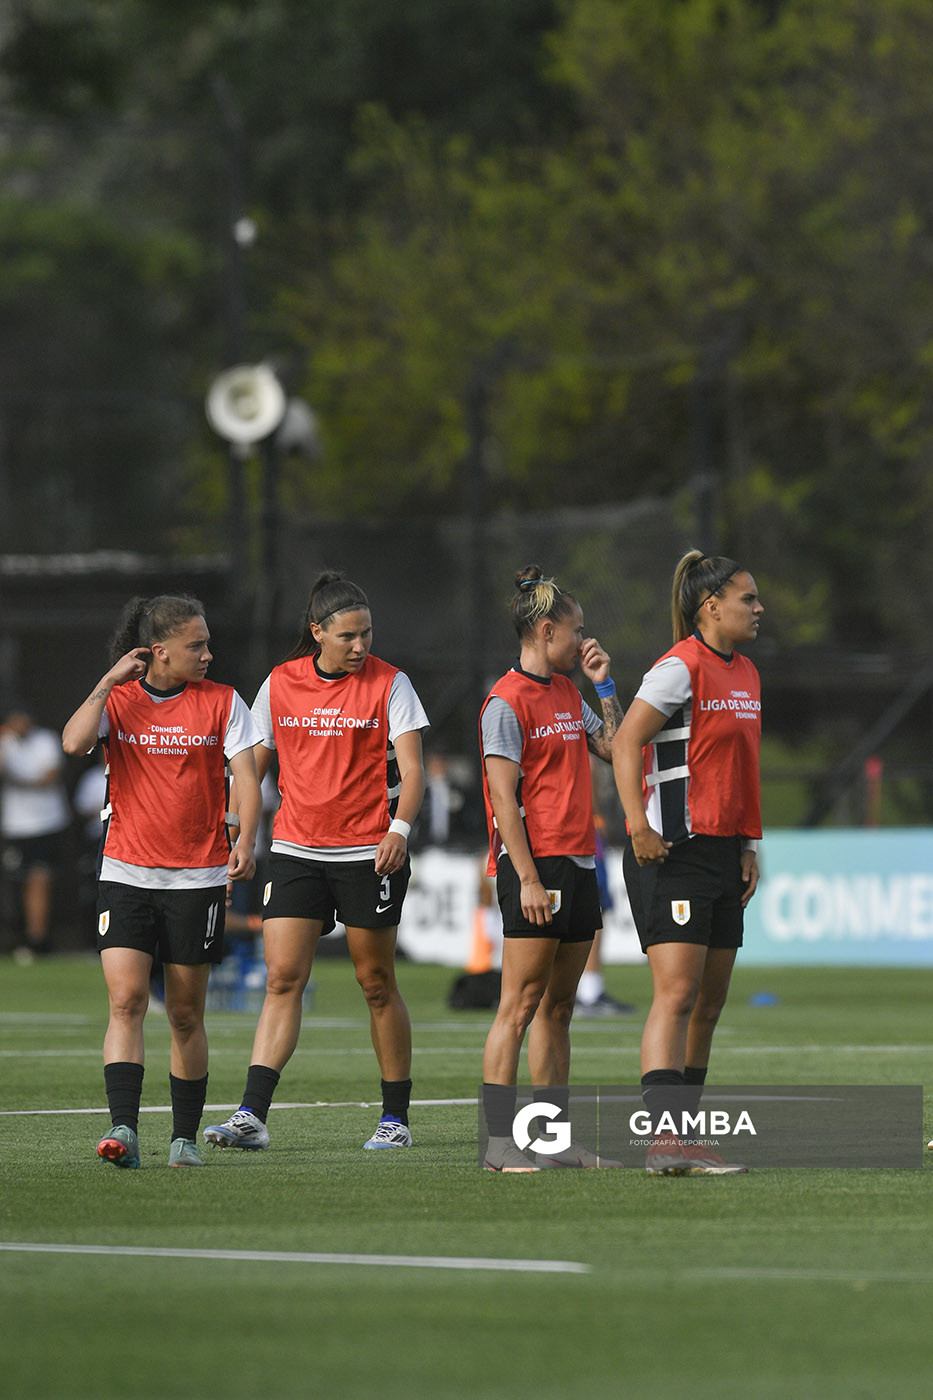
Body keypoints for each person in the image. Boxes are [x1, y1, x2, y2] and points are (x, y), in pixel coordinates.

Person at [203, 570, 429, 1153]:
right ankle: (252, 1115)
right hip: (296, 851)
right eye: (349, 636)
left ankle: (395, 1119)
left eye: (367, 634)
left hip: (368, 853)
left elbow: (414, 770)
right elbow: (249, 767)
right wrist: (242, 836)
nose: (361, 646)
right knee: (283, 979)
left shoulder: (391, 684)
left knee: (375, 983)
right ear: (317, 633)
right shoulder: (279, 684)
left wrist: (399, 829)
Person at [62, 595, 261, 1169]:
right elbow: (75, 742)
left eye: (206, 642)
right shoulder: (119, 701)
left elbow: (246, 777)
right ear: (159, 651)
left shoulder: (224, 702)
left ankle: (184, 1139)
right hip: (125, 873)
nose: (207, 653)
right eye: (196, 645)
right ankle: (123, 1130)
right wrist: (107, 679)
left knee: (183, 1013)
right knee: (125, 1001)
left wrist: (244, 840)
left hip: (197, 879)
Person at [611, 550, 763, 1176]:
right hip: (672, 851)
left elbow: (743, 769)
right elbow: (625, 743)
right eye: (747, 599)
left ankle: (687, 1136)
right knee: (675, 996)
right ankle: (662, 1141)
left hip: (725, 852)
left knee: (709, 1002)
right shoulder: (680, 668)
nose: (758, 608)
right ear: (711, 607)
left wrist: (750, 844)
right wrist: (638, 825)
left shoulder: (749, 672)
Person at [479, 565, 625, 1171]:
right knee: (519, 1005)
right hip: (534, 870)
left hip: (579, 862)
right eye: (576, 631)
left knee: (559, 1008)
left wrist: (605, 685)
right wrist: (530, 878)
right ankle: (495, 1144)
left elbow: (616, 749)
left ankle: (554, 1140)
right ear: (545, 631)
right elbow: (503, 800)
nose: (583, 640)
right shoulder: (504, 703)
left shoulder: (569, 692)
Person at [1, 704, 71, 960]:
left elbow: (49, 777)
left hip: (46, 823)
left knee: (40, 881)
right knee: (16, 884)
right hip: (15, 826)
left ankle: (38, 939)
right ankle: (19, 936)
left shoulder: (45, 740)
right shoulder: (5, 743)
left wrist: (17, 779)